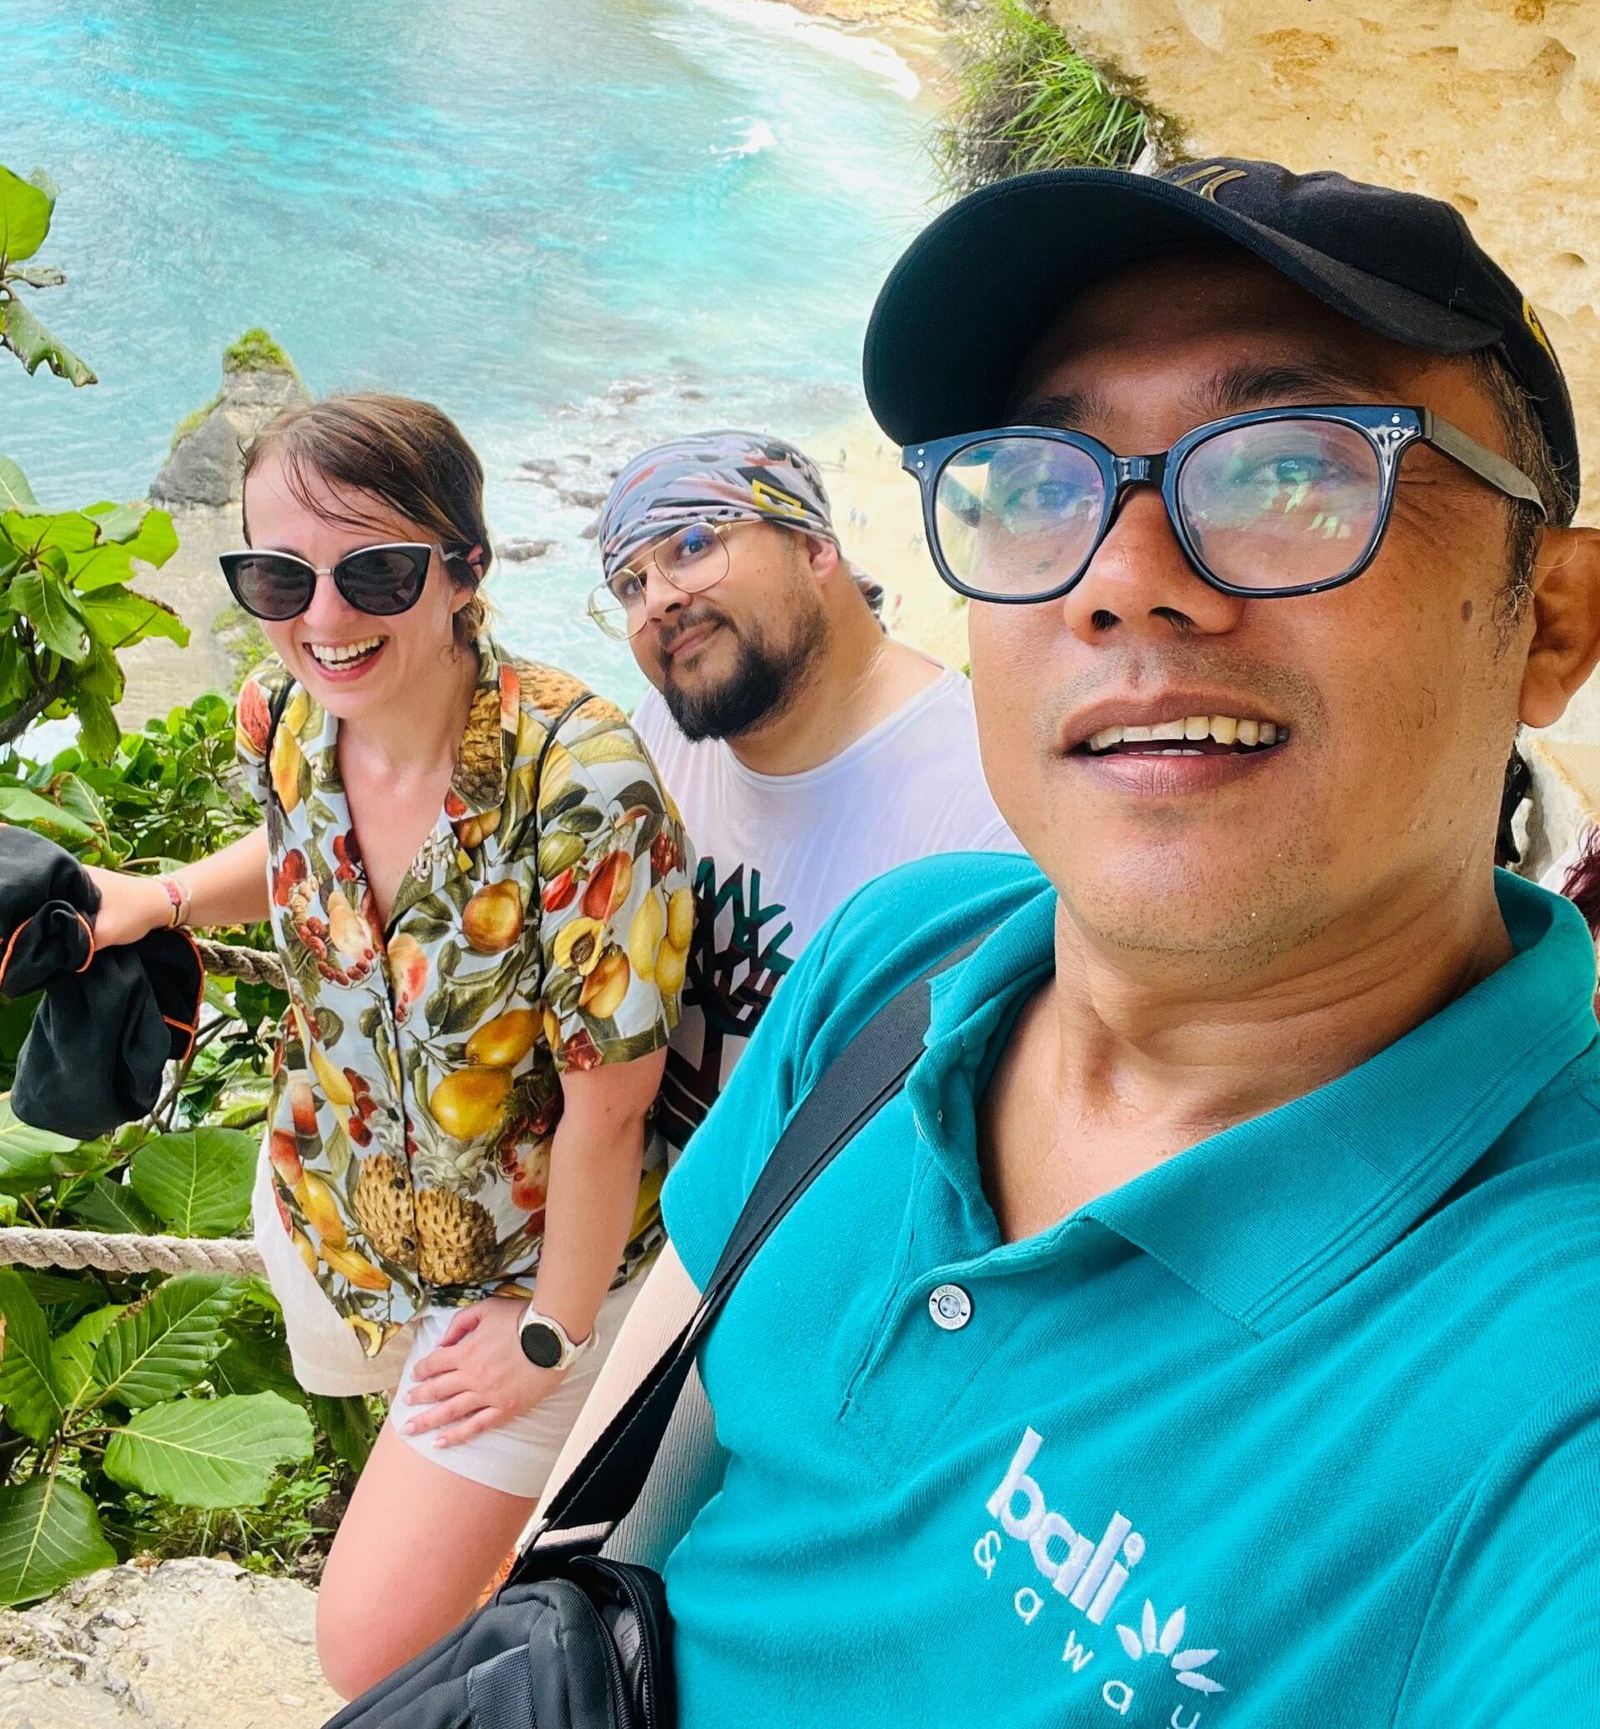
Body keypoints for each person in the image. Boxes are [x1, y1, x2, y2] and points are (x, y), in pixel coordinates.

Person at [549, 160, 1600, 1726]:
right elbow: (601, 1533)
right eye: (1038, 481)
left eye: (1292, 470)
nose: (1121, 580)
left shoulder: (1547, 1382)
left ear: (1552, 622)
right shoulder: (901, 964)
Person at [85, 394, 689, 1698]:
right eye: (277, 576)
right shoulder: (284, 714)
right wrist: (164, 895)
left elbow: (610, 1108)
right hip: (337, 1210)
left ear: (464, 569)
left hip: (531, 1272)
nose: (322, 616)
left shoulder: (579, 786)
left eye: (374, 573)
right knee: (421, 1546)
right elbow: (296, 850)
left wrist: (550, 1333)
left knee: (367, 1646)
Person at [590, 430, 1017, 1146]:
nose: (656, 599)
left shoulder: (981, 797)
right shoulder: (659, 734)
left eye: (693, 544)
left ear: (815, 547)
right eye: (629, 585)